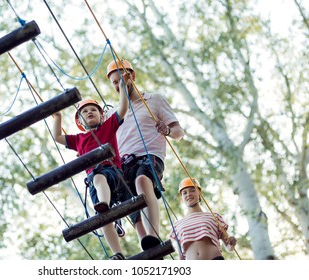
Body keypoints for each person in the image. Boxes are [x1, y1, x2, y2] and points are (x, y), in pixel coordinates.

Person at [105, 59, 185, 250]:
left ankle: (153, 234)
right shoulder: (113, 114)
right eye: (114, 83)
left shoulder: (153, 100)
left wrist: (166, 130)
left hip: (149, 156)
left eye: (121, 80)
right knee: (129, 200)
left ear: (131, 76)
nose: (118, 85)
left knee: (142, 181)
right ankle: (146, 242)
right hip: (124, 163)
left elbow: (179, 132)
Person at [52, 72, 131, 260]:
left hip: (113, 174)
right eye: (85, 112)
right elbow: (57, 137)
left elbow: (122, 108)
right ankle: (117, 254)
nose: (89, 112)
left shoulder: (108, 126)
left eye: (93, 110)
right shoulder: (79, 139)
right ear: (80, 121)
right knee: (102, 217)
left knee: (98, 177)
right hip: (96, 182)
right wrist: (57, 117)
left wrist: (123, 88)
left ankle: (104, 204)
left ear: (102, 115)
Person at [169, 177, 237, 260]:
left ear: (199, 193)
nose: (188, 194)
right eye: (184, 193)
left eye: (192, 190)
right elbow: (181, 257)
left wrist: (231, 243)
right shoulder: (177, 225)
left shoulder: (214, 216)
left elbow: (229, 247)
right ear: (181, 198)